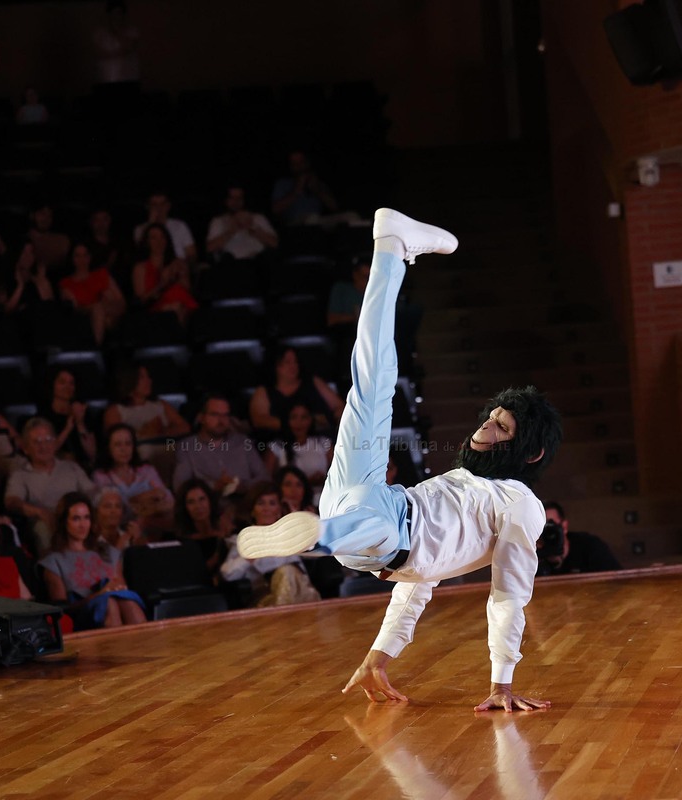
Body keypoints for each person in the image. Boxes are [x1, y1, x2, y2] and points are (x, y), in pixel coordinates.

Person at [237, 209, 563, 711]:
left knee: (371, 401)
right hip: (377, 516)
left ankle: (322, 532)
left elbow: (507, 595)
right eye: (489, 416)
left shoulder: (520, 503)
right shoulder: (464, 483)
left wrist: (497, 681)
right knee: (372, 381)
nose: (484, 426)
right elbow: (419, 580)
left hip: (379, 529)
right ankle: (390, 248)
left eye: (501, 426)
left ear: (530, 452)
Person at [40, 492, 145, 630]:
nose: (83, 525)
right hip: (83, 614)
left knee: (127, 601)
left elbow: (120, 586)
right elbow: (62, 608)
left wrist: (112, 589)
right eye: (76, 519)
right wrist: (99, 595)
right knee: (109, 603)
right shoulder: (53, 561)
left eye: (86, 518)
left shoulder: (108, 552)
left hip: (117, 603)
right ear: (64, 521)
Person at [4, 418, 97, 553]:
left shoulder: (70, 467)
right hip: (46, 520)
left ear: (54, 443)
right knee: (43, 528)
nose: (44, 446)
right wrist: (39, 512)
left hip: (77, 517)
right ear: (26, 449)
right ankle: (53, 570)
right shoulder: (20, 474)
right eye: (37, 442)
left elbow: (92, 492)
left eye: (48, 440)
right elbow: (12, 501)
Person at [220, 482, 319, 608]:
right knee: (285, 573)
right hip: (266, 599)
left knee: (290, 573)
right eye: (261, 503)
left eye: (272, 503)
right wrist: (249, 557)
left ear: (278, 510)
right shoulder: (244, 540)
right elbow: (227, 574)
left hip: (301, 592)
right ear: (252, 511)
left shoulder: (290, 536)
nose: (266, 508)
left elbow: (315, 555)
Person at [171, 394, 269, 494]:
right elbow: (180, 486)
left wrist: (242, 486)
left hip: (246, 504)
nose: (221, 420)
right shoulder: (187, 447)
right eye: (214, 414)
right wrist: (214, 486)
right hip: (210, 506)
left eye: (225, 415)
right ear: (201, 418)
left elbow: (265, 478)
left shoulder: (242, 442)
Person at [92, 423, 173, 535]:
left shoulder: (146, 470)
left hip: (153, 527)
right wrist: (146, 499)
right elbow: (111, 510)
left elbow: (167, 498)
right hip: (119, 532)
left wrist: (140, 504)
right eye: (118, 445)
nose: (124, 449)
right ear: (108, 448)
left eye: (128, 444)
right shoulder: (101, 475)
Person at [248, 346, 345, 438]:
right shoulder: (263, 391)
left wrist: (334, 419)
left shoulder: (314, 382)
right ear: (275, 365)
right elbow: (259, 420)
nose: (293, 366)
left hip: (321, 441)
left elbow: (339, 406)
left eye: (295, 361)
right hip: (281, 444)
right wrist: (297, 424)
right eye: (287, 362)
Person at [101, 363, 190, 459]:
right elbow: (115, 439)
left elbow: (185, 427)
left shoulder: (160, 405)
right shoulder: (115, 410)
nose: (149, 381)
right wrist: (144, 432)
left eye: (148, 377)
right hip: (136, 452)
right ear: (129, 381)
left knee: (188, 448)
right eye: (142, 378)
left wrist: (164, 431)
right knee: (145, 450)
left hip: (167, 445)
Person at [59, 242, 126, 346]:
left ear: (90, 257)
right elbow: (73, 308)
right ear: (72, 258)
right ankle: (97, 347)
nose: (82, 260)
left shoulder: (101, 274)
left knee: (108, 298)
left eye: (85, 255)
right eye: (78, 256)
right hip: (84, 317)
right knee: (99, 310)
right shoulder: (67, 283)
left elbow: (120, 301)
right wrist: (95, 307)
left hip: (111, 313)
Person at [130, 223, 198, 326]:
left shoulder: (177, 263)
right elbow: (141, 300)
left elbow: (187, 289)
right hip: (154, 307)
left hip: (180, 302)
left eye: (162, 237)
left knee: (178, 303)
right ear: (147, 242)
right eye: (154, 238)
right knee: (175, 307)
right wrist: (162, 284)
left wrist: (179, 274)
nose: (159, 242)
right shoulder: (140, 268)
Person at [540, 502, 622, 576]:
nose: (546, 533)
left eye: (550, 526)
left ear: (564, 527)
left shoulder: (590, 547)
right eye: (540, 527)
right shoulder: (532, 555)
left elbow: (617, 580)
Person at [265, 401, 333, 487]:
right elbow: (266, 482)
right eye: (293, 417)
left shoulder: (323, 443)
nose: (299, 423)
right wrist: (305, 483)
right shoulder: (276, 447)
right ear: (286, 420)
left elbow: (339, 473)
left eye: (304, 417)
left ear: (311, 419)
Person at [38, 367, 97, 467]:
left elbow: (92, 453)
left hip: (82, 468)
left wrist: (80, 422)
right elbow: (45, 452)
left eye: (71, 383)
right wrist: (68, 428)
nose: (68, 387)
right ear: (52, 385)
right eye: (62, 382)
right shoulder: (43, 417)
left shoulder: (84, 413)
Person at [205, 186, 278, 262]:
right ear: (226, 200)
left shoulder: (258, 218)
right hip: (231, 265)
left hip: (258, 263)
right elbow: (209, 248)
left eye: (239, 198)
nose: (236, 202)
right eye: (232, 198)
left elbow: (275, 244)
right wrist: (232, 230)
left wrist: (253, 229)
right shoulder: (218, 221)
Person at [132, 192, 197, 266]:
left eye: (162, 204)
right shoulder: (140, 229)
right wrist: (151, 222)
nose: (159, 208)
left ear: (168, 206)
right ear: (148, 207)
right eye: (154, 205)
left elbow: (192, 254)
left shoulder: (180, 226)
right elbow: (141, 252)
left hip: (178, 268)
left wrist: (181, 264)